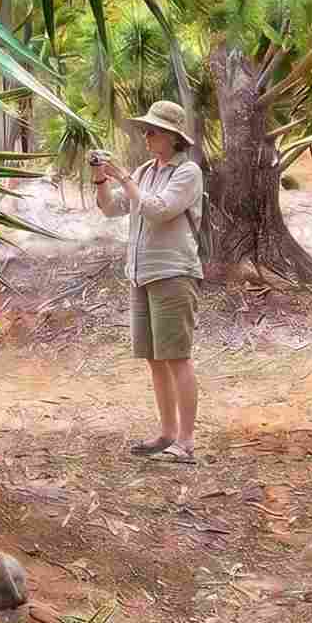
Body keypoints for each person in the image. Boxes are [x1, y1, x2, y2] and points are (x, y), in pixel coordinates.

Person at [93, 100, 205, 463]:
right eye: (145, 130)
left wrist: (124, 178)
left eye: (152, 131)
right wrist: (101, 178)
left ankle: (185, 442)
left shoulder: (187, 172)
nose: (146, 136)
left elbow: (158, 210)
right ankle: (167, 433)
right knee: (155, 358)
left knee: (177, 357)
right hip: (140, 274)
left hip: (173, 272)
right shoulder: (145, 171)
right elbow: (112, 208)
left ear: (172, 136)